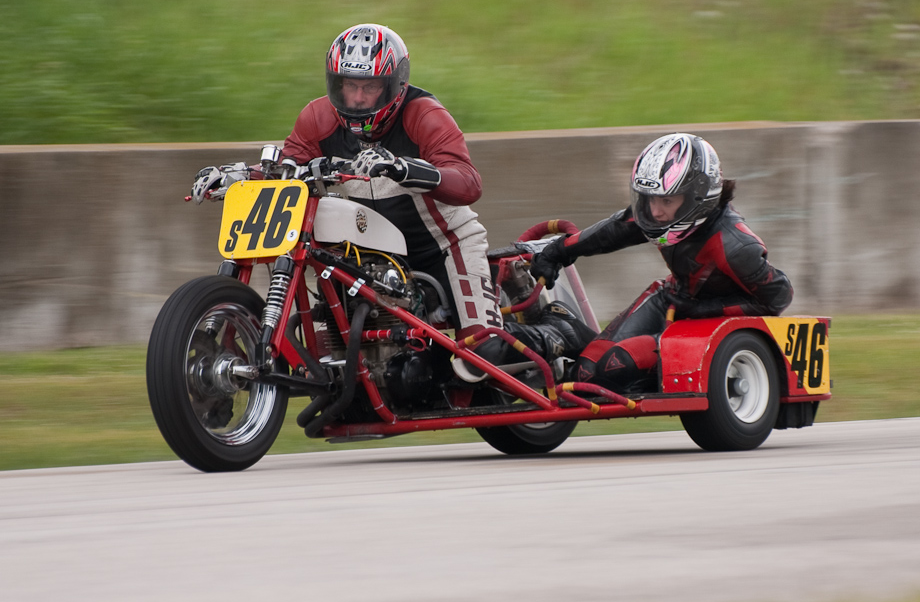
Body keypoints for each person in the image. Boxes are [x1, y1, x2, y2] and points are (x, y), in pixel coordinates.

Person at [279, 23, 588, 380]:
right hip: (373, 256)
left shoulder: (423, 114)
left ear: (395, 84)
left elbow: (469, 182)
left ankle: (561, 333)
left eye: (370, 87)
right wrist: (240, 175)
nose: (359, 99)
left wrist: (404, 168)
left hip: (444, 248)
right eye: (350, 86)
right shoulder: (317, 118)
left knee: (481, 353)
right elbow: (287, 165)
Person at [530, 133, 794, 393]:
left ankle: (646, 376)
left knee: (616, 367)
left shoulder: (735, 246)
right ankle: (568, 328)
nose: (655, 211)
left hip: (709, 320)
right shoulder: (661, 216)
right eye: (651, 199)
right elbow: (613, 231)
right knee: (585, 374)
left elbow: (778, 297)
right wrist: (557, 251)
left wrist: (706, 309)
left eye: (666, 200)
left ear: (697, 198)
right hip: (671, 299)